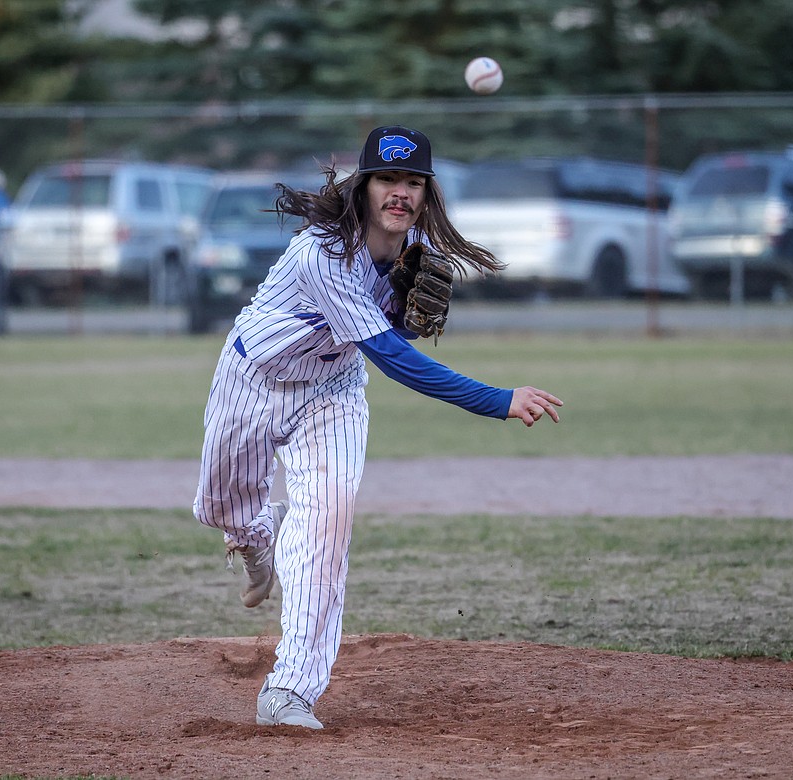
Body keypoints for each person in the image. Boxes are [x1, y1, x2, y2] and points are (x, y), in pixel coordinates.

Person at [192, 125, 563, 730]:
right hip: (253, 379)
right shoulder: (323, 254)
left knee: (329, 518)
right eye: (389, 179)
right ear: (363, 186)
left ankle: (290, 690)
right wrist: (498, 400)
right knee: (220, 510)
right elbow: (395, 357)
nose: (402, 193)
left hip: (332, 390)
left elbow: (396, 331)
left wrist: (409, 315)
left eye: (414, 181)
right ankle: (257, 534)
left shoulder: (411, 246)